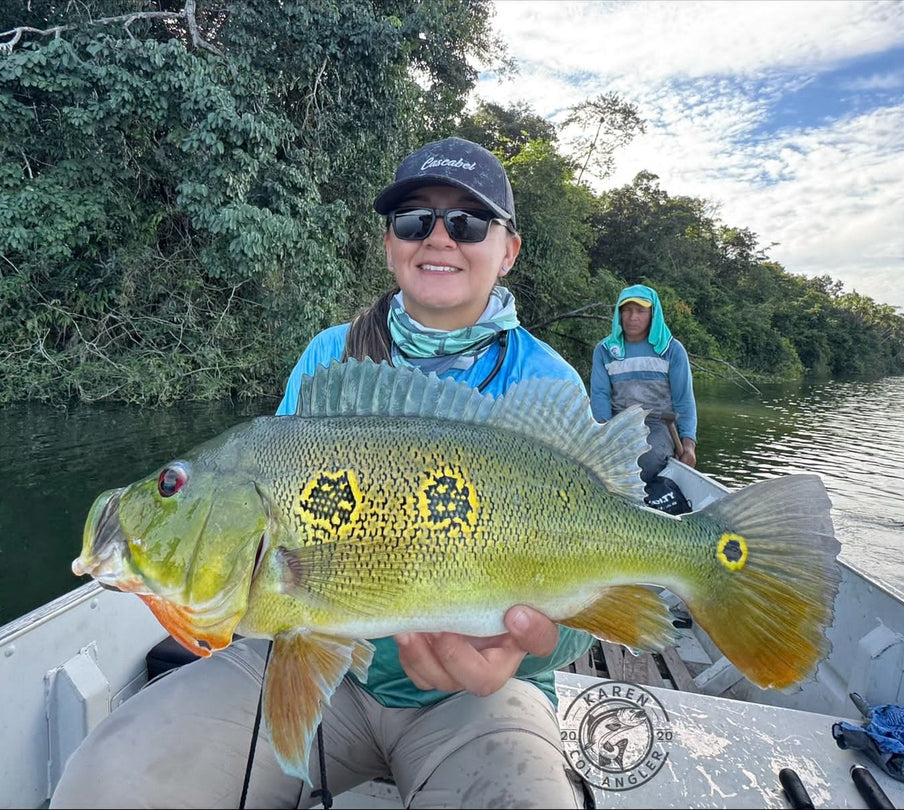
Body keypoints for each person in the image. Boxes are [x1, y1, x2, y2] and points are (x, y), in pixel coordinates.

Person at [51, 137, 594, 809]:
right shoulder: (329, 357)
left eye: (470, 222)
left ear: (507, 250)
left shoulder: (548, 386)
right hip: (316, 670)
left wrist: (531, 649)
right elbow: (272, 563)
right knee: (110, 780)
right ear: (390, 241)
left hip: (477, 699)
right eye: (414, 219)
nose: (441, 238)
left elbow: (590, 605)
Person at [589, 284, 698, 484]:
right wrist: (603, 437)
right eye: (627, 310)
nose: (633, 317)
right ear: (619, 313)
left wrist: (689, 444)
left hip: (658, 425)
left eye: (641, 311)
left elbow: (684, 400)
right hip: (617, 424)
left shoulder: (672, 350)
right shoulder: (604, 350)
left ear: (652, 314)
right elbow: (600, 396)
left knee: (644, 462)